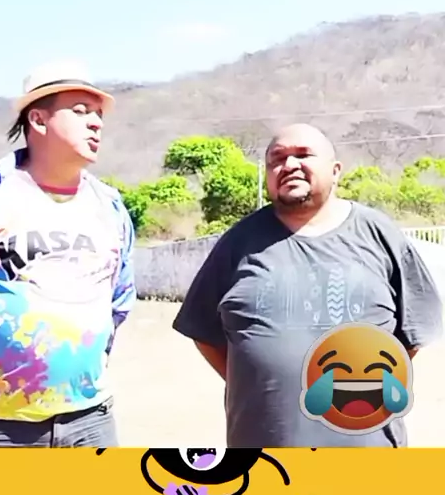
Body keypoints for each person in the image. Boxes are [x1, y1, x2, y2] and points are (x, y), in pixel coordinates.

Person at [173, 123, 443, 448]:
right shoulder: (237, 243)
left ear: (336, 170)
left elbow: (413, 332)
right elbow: (204, 332)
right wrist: (258, 380)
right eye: (277, 159)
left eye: (303, 155)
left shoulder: (380, 235)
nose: (289, 165)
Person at [0, 60, 136, 448]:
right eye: (80, 111)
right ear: (38, 120)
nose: (96, 123)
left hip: (90, 418)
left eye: (98, 114)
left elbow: (120, 299)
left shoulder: (109, 206)